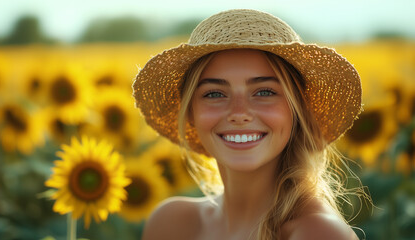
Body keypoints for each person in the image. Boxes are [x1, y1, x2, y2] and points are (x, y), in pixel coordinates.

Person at [133, 9, 369, 240]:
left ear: (297, 110)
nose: (239, 113)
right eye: (214, 94)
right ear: (190, 113)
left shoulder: (318, 233)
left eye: (264, 91)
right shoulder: (170, 223)